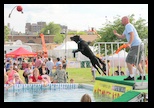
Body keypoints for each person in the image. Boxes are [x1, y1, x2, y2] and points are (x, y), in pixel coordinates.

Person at [113, 16, 145, 80]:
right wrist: (116, 34)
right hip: (140, 44)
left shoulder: (128, 25)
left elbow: (132, 34)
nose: (121, 22)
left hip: (136, 45)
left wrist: (129, 43)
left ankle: (131, 76)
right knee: (136, 61)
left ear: (126, 20)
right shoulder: (127, 28)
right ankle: (142, 75)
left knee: (128, 60)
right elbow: (122, 36)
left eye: (122, 20)